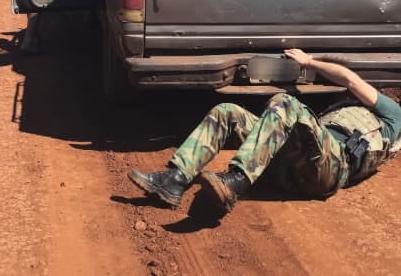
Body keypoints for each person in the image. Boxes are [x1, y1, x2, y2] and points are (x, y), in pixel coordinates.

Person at [129, 48, 401, 218]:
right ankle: (175, 179)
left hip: (330, 168)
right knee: (228, 112)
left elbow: (350, 79)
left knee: (285, 103)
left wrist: (310, 62)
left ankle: (236, 181)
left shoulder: (394, 115)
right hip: (300, 163)